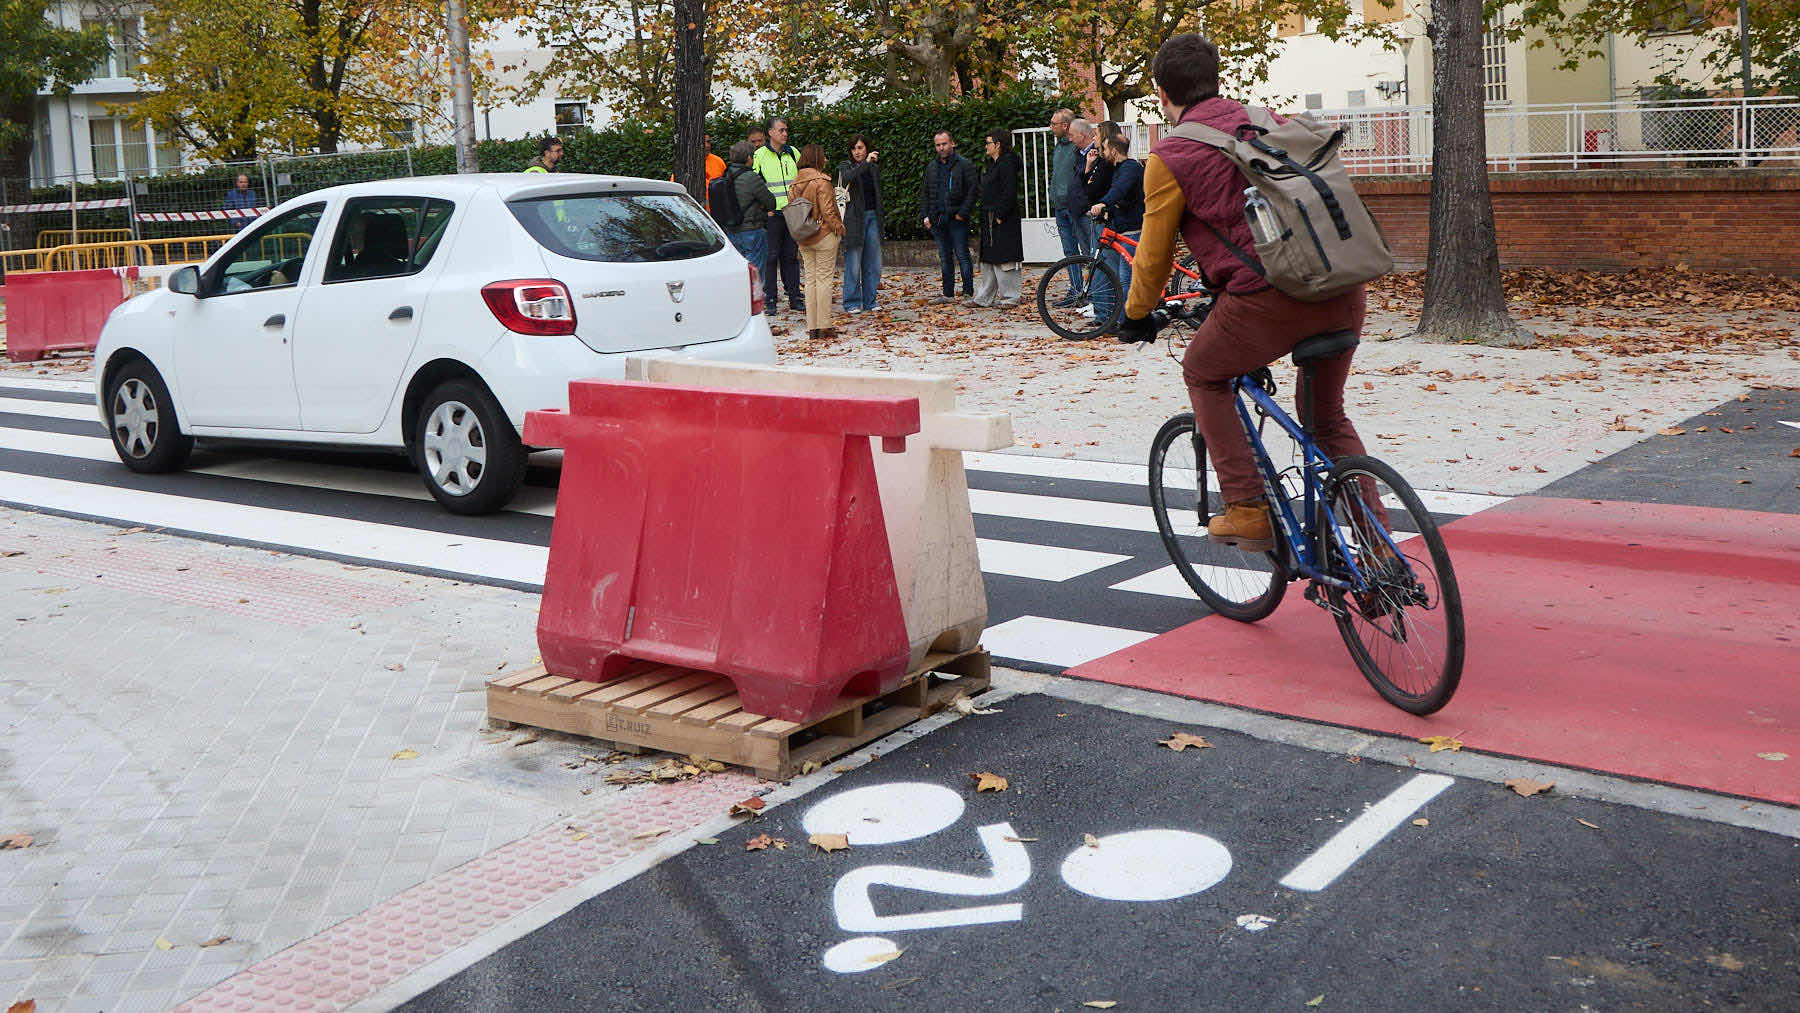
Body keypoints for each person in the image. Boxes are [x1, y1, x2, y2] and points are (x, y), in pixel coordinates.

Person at [1118, 33, 1375, 552]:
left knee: (1203, 371)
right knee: (1326, 419)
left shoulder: (1169, 156)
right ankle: (1380, 556)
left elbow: (1154, 254)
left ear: (1162, 95)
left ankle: (1247, 509)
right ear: (1214, 80)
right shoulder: (1267, 120)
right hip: (1343, 285)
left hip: (1270, 299)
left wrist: (1136, 314)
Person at [789, 144, 845, 340]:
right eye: (824, 156)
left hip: (804, 237)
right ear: (817, 159)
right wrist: (839, 228)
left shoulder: (794, 183)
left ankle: (812, 328)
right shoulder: (822, 181)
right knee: (824, 280)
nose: (826, 159)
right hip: (823, 235)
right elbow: (829, 211)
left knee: (810, 281)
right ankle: (824, 326)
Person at [1087, 133, 1144, 325]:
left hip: (1132, 229)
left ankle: (1125, 323)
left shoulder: (1130, 168)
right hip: (1123, 227)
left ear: (1113, 151)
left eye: (1104, 149)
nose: (1102, 153)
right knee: (1123, 278)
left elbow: (1119, 191)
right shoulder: (1120, 168)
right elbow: (1120, 196)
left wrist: (1103, 203)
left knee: (1126, 280)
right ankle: (1120, 319)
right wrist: (1107, 209)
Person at [752, 118, 804, 314]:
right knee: (771, 257)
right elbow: (755, 184)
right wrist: (765, 209)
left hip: (792, 213)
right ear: (771, 133)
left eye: (786, 130)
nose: (785, 134)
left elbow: (802, 178)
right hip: (773, 215)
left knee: (791, 256)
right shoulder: (760, 155)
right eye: (781, 130)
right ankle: (771, 299)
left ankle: (794, 297)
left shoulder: (793, 152)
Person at [920, 129, 975, 305]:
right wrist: (926, 217)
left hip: (957, 219)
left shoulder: (964, 165)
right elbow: (926, 193)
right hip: (938, 220)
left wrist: (962, 214)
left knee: (962, 256)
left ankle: (968, 293)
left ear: (952, 143)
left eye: (944, 144)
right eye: (938, 145)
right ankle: (948, 294)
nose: (941, 148)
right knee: (944, 257)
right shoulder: (932, 167)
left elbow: (972, 191)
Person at [972, 130, 1023, 309]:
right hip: (989, 215)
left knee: (1005, 257)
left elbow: (1009, 191)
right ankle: (984, 297)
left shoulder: (1007, 164)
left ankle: (1010, 297)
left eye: (988, 142)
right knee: (989, 257)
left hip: (1003, 217)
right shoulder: (992, 164)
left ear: (998, 144)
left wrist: (1001, 214)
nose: (986, 146)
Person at [837, 135, 884, 314]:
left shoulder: (874, 168)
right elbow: (849, 177)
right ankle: (851, 302)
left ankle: (870, 301)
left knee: (873, 262)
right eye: (854, 148)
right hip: (854, 220)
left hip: (873, 217)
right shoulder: (845, 166)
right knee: (853, 262)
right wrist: (865, 163)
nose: (857, 151)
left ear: (867, 148)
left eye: (860, 148)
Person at [1073, 124, 1116, 320]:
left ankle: (1104, 312)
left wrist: (1090, 181)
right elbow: (1085, 186)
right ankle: (1102, 311)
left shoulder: (1108, 163)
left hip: (1104, 219)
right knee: (1097, 263)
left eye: (1097, 134)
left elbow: (1092, 191)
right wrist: (1088, 168)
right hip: (1096, 217)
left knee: (1102, 265)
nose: (1094, 137)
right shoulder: (1098, 161)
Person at [1057, 119, 1099, 307]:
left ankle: (1096, 297)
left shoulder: (1094, 154)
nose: (1070, 139)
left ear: (1082, 135)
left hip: (1086, 211)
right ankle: (1085, 294)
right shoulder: (1078, 153)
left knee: (1093, 254)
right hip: (1076, 210)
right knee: (1083, 254)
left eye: (1072, 135)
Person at [720, 141, 776, 270]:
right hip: (752, 230)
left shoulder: (726, 174)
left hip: (732, 231)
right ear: (749, 158)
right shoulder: (751, 177)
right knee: (755, 274)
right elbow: (771, 202)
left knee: (739, 272)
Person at [1046, 109, 1083, 304]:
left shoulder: (1076, 147)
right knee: (1069, 251)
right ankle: (1075, 291)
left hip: (1073, 206)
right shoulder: (1059, 147)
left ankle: (1090, 292)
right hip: (1059, 206)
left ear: (1065, 126)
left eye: (1054, 123)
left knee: (1085, 250)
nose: (1051, 127)